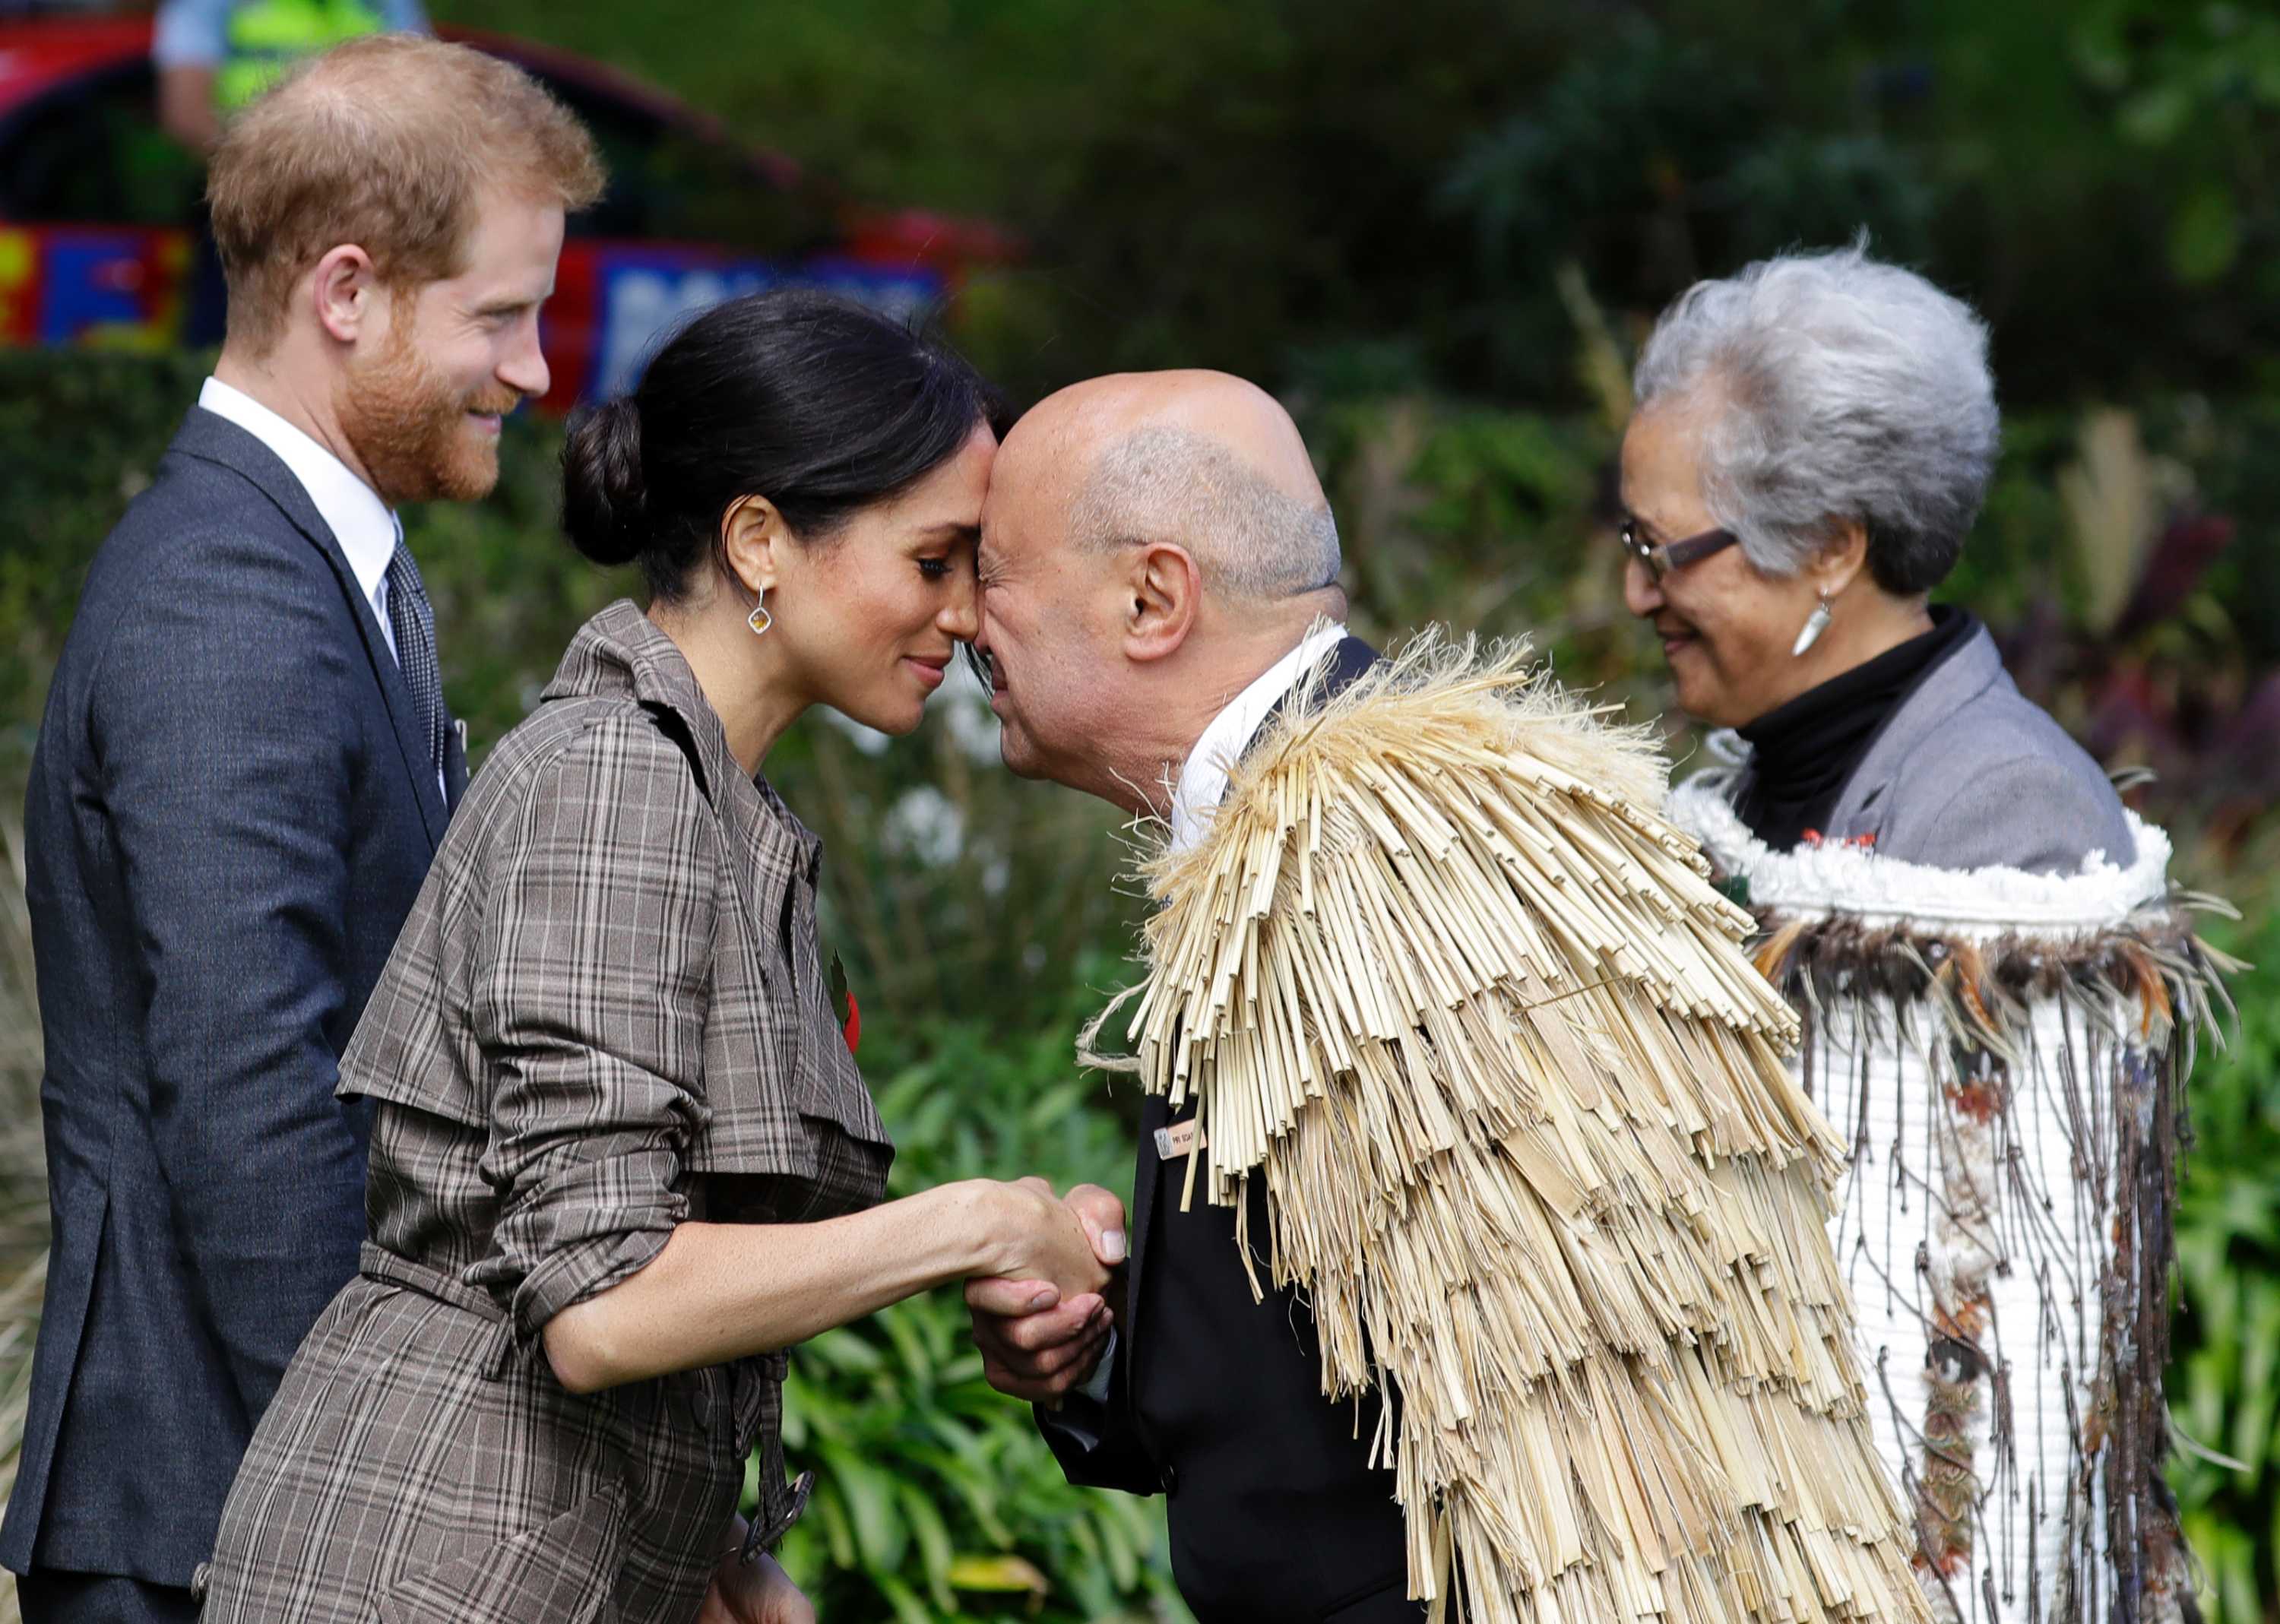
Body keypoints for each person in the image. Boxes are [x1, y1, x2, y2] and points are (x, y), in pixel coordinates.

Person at [196, 288, 1122, 1624]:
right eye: (936, 562)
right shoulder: (614, 782)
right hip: (432, 1571)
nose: (971, 615)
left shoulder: (709, 801)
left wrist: (711, 1559)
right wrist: (974, 1222)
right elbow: (605, 1301)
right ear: (759, 540)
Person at [964, 370, 1929, 1624]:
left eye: (986, 568)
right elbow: (1377, 1326)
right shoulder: (1321, 830)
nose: (960, 615)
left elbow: (1582, 1422)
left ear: (1154, 598)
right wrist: (1099, 1354)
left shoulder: (1382, 849)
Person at [5, 36, 600, 1624]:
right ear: (349, 294)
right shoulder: (229, 593)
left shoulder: (303, 559)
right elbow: (247, 1079)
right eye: (499, 314)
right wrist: (393, 1484)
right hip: (224, 1529)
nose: (537, 369)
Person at [1625, 246, 2225, 1622]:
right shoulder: (1769, 776)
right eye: (1634, 545)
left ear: (1833, 544)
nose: (1639, 591)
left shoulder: (2004, 814)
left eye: (1666, 550)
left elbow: (1995, 1342)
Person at [155, 0, 430, 157]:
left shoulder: (388, 4)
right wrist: (263, 174)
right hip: (251, 198)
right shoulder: (210, 6)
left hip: (372, 198)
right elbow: (187, 114)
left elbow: (428, 99)